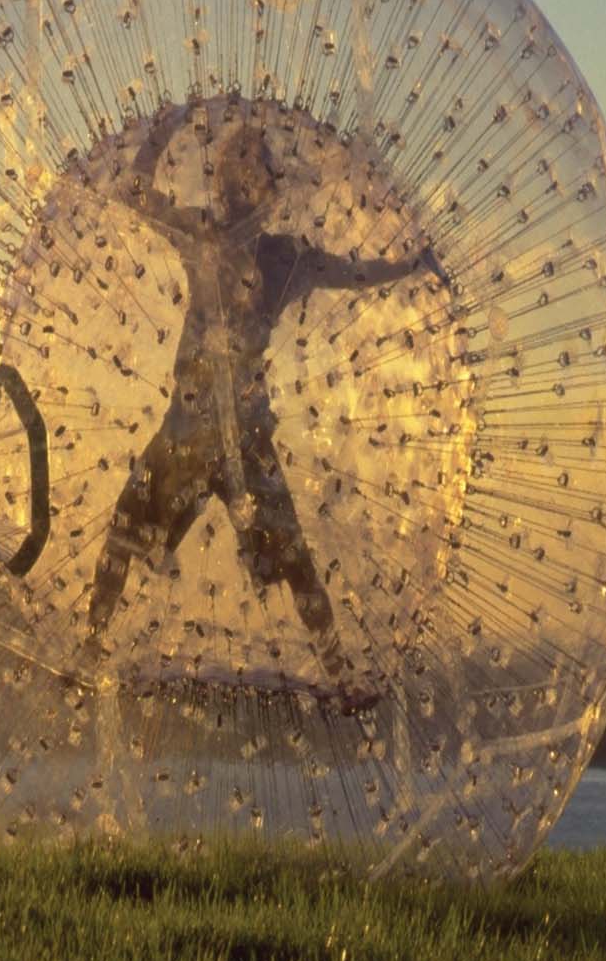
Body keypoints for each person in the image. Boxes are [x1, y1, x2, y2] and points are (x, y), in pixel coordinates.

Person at [82, 104, 438, 703]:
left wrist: (408, 266)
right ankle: (90, 647)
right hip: (196, 427)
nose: (242, 181)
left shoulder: (274, 255)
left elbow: (353, 274)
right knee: (125, 531)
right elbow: (135, 193)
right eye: (237, 168)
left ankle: (340, 675)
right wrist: (164, 132)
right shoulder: (209, 237)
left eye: (253, 170)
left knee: (291, 559)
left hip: (231, 434)